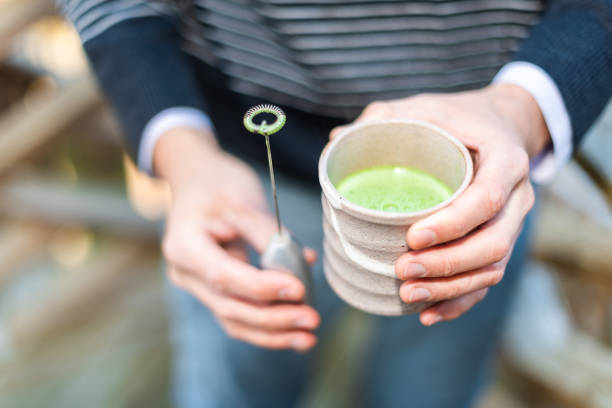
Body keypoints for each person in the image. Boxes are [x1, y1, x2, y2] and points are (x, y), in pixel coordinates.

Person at [57, 0, 612, 406]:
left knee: (430, 392)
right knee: (239, 385)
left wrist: (521, 112)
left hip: (480, 177)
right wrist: (183, 151)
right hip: (243, 180)